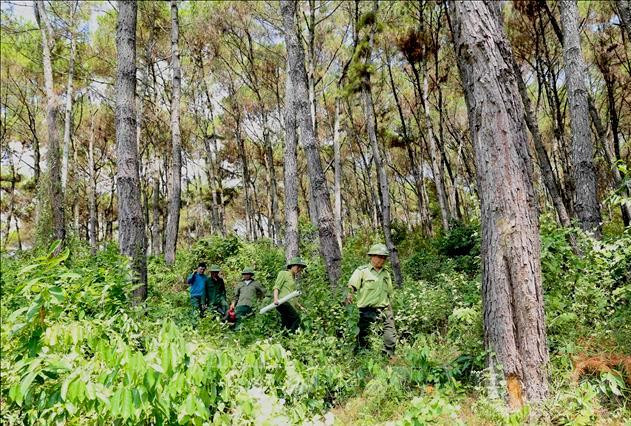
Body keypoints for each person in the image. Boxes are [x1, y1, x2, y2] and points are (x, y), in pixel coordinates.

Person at [345, 243, 397, 356]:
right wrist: (349, 296)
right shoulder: (362, 271)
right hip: (366, 310)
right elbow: (352, 286)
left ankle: (390, 356)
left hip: (384, 309)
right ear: (372, 256)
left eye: (384, 257)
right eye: (379, 256)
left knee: (390, 334)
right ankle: (362, 357)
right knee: (364, 336)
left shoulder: (386, 273)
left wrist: (390, 309)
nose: (382, 260)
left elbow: (389, 293)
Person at [273, 256, 306, 332]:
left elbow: (293, 295)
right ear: (292, 266)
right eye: (298, 267)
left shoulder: (293, 279)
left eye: (301, 268)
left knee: (287, 322)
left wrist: (300, 306)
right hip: (282, 302)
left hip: (289, 303)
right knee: (296, 319)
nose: (300, 269)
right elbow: (276, 287)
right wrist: (275, 299)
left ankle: (283, 338)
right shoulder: (283, 273)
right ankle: (291, 336)